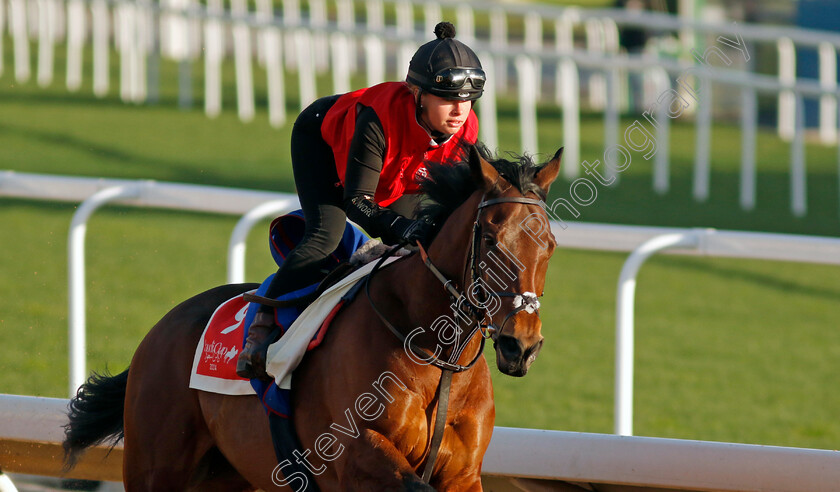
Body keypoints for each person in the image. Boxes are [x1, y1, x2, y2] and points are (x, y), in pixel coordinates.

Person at [236, 21, 486, 379]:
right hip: (321, 142)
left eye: (466, 100)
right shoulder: (378, 121)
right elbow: (358, 202)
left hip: (393, 170)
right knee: (326, 237)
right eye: (447, 98)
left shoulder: (466, 131)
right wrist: (403, 226)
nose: (459, 110)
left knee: (418, 249)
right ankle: (261, 327)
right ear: (416, 93)